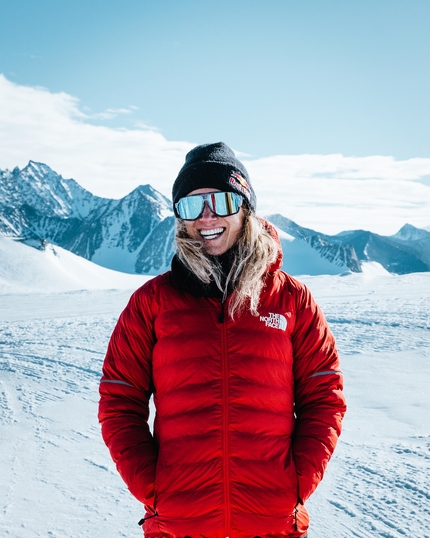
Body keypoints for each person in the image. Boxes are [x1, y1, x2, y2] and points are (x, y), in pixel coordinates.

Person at [98, 142, 347, 538]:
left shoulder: (291, 300)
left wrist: (296, 485)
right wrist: (156, 490)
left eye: (221, 201)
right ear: (180, 218)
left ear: (245, 207)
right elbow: (118, 400)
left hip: (271, 524)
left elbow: (324, 395)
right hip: (179, 526)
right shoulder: (152, 304)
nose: (207, 216)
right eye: (192, 205)